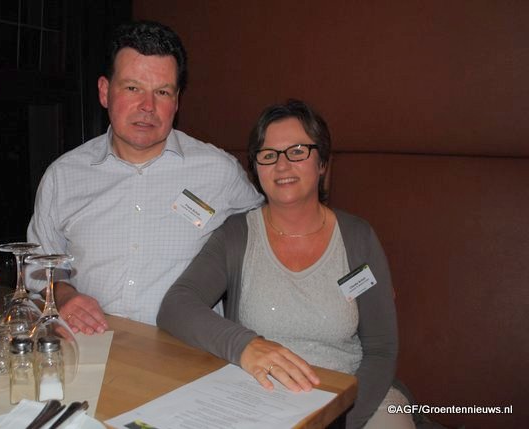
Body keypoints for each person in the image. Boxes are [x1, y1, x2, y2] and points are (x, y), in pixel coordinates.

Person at [157, 100, 416, 428]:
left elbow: (381, 349)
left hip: (356, 401)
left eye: (297, 151)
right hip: (262, 400)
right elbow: (176, 306)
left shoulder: (358, 237)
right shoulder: (236, 236)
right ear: (256, 168)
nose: (281, 165)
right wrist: (245, 346)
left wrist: (340, 418)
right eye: (268, 155)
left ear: (322, 162)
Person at [26, 21, 262, 333]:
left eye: (162, 92)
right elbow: (38, 266)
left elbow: (269, 240)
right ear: (104, 92)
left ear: (176, 102)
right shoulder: (63, 176)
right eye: (133, 88)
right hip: (90, 348)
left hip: (187, 352)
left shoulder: (219, 172)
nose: (148, 106)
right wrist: (64, 294)